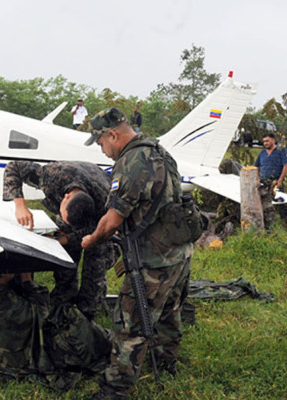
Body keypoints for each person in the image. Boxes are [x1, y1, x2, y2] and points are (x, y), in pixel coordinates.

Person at [82, 108, 193, 400]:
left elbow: (113, 219)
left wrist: (91, 240)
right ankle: (166, 361)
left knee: (130, 324)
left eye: (100, 143)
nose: (102, 150)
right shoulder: (160, 151)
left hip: (153, 259)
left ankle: (116, 388)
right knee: (169, 311)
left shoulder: (131, 161)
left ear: (113, 135)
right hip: (178, 252)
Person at [0, 272, 111, 392]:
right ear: (3, 272)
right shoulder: (0, 301)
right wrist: (27, 280)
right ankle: (106, 344)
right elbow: (43, 312)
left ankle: (104, 337)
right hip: (16, 364)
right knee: (68, 317)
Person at [3, 160, 114, 319]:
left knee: (96, 266)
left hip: (100, 221)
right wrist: (20, 205)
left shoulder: (106, 202)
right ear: (65, 196)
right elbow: (14, 167)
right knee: (65, 259)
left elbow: (102, 229)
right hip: (74, 182)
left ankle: (87, 313)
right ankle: (63, 302)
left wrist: (69, 239)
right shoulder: (53, 176)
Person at [254, 133, 287, 226]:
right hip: (264, 181)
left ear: (273, 140)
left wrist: (280, 180)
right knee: (265, 202)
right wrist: (257, 178)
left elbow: (286, 166)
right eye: (264, 142)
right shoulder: (262, 153)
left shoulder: (281, 151)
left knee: (282, 203)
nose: (265, 143)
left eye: (267, 141)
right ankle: (267, 223)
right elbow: (256, 166)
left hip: (275, 181)